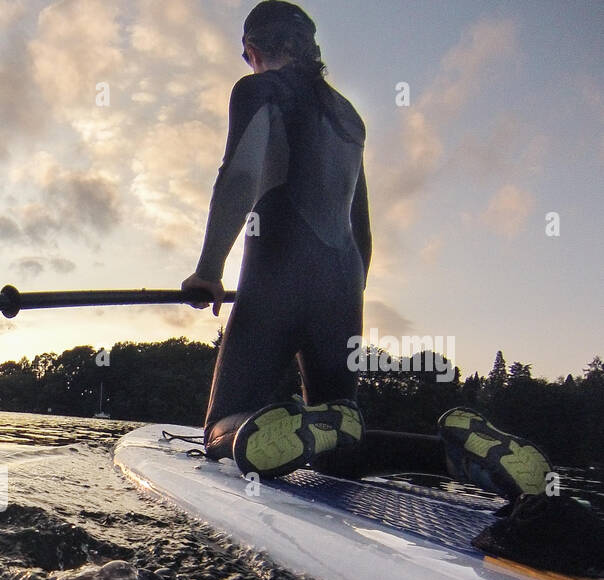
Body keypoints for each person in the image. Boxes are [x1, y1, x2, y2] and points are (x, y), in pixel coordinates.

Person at [180, 1, 551, 502]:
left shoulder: (257, 88)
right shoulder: (349, 117)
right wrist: (340, 298)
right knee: (339, 444)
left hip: (276, 272)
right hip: (344, 284)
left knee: (217, 431)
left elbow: (242, 172)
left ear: (252, 50)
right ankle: (450, 453)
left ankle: (267, 427)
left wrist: (208, 270)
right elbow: (363, 228)